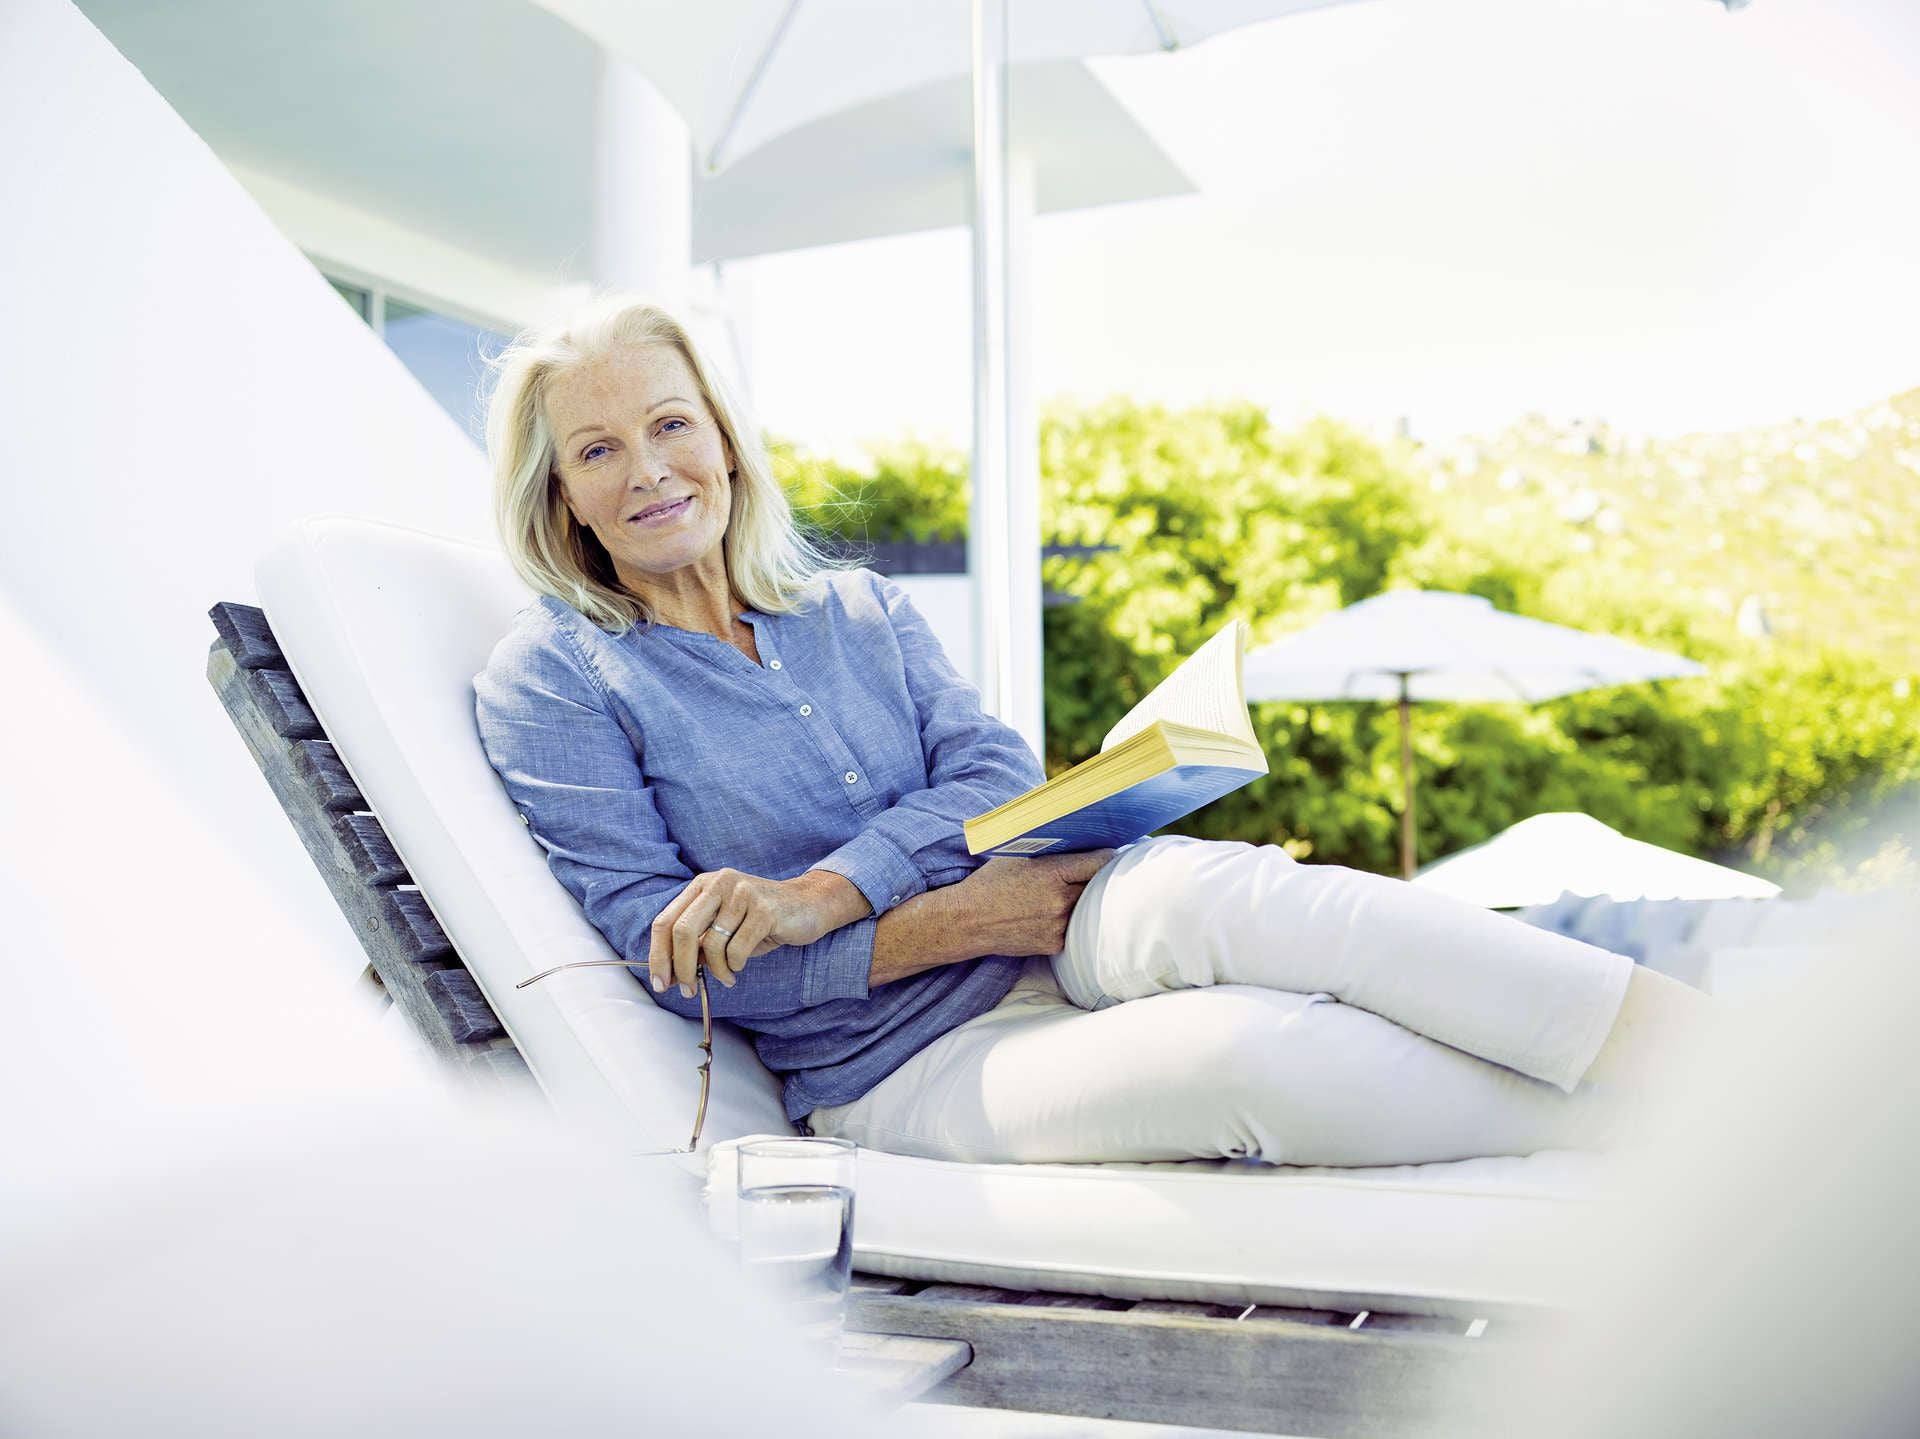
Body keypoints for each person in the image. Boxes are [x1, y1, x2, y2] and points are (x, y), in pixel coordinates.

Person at [473, 292, 1708, 1168]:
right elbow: (676, 957)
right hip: (896, 1059)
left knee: (1248, 898)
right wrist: (952, 916)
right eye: (599, 449)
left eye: (671, 423)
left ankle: (1715, 1058)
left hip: (1059, 913)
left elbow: (993, 770)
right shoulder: (554, 677)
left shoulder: (857, 606)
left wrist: (826, 892)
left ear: (725, 440)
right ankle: (1683, 1134)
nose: (649, 470)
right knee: (1252, 1061)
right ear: (562, 494)